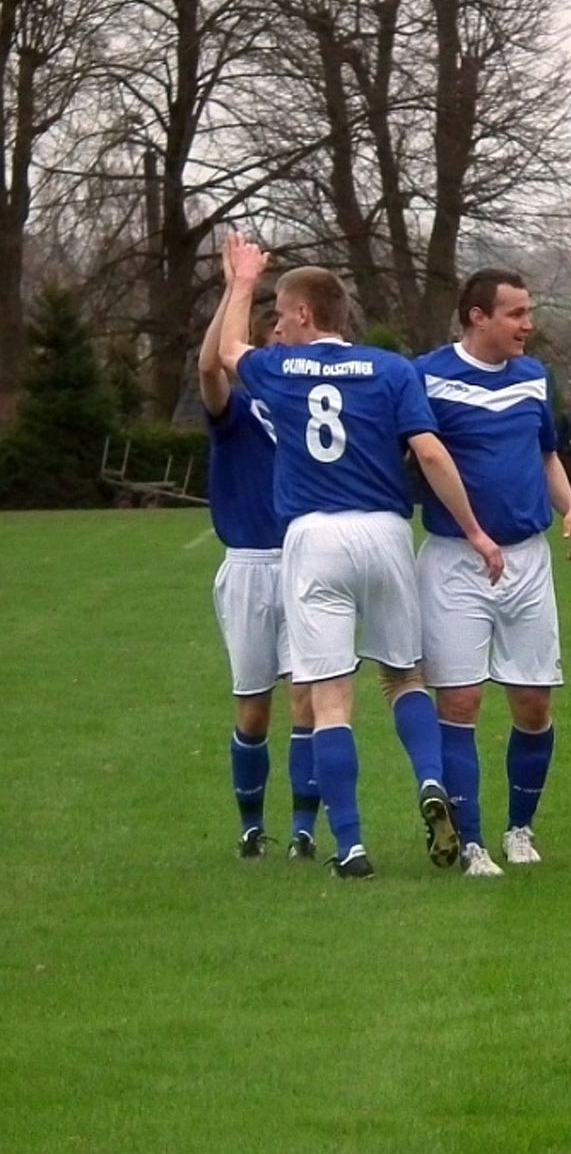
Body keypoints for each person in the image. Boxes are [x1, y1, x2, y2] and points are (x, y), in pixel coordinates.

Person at [216, 232, 505, 880]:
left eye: (283, 315)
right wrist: (477, 533)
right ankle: (431, 780)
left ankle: (349, 844)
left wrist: (240, 281)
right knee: (404, 678)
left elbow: (230, 351)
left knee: (331, 697)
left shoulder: (282, 370)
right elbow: (430, 453)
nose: (279, 328)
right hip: (384, 532)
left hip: (313, 539)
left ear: (304, 315)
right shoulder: (391, 369)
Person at [415, 269, 571, 877]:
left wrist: (570, 508)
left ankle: (520, 829)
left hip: (528, 560)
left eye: (529, 311)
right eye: (516, 313)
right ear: (477, 317)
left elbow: (545, 453)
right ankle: (472, 843)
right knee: (460, 701)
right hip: (455, 562)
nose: (528, 325)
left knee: (534, 705)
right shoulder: (427, 375)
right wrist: (473, 533)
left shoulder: (533, 377)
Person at [198, 249, 317, 860]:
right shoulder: (237, 412)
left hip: (305, 559)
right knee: (254, 709)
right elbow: (211, 370)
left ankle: (303, 830)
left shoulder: (307, 405)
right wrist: (234, 290)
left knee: (308, 699)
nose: (275, 334)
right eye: (265, 326)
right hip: (248, 564)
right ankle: (251, 826)